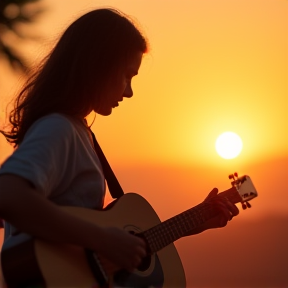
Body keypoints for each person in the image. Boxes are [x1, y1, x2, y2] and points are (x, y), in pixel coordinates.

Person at [0, 8, 239, 286]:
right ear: (96, 66)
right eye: (127, 76)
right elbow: (8, 195)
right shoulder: (59, 129)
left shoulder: (79, 133)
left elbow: (81, 245)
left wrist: (191, 223)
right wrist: (102, 239)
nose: (129, 92)